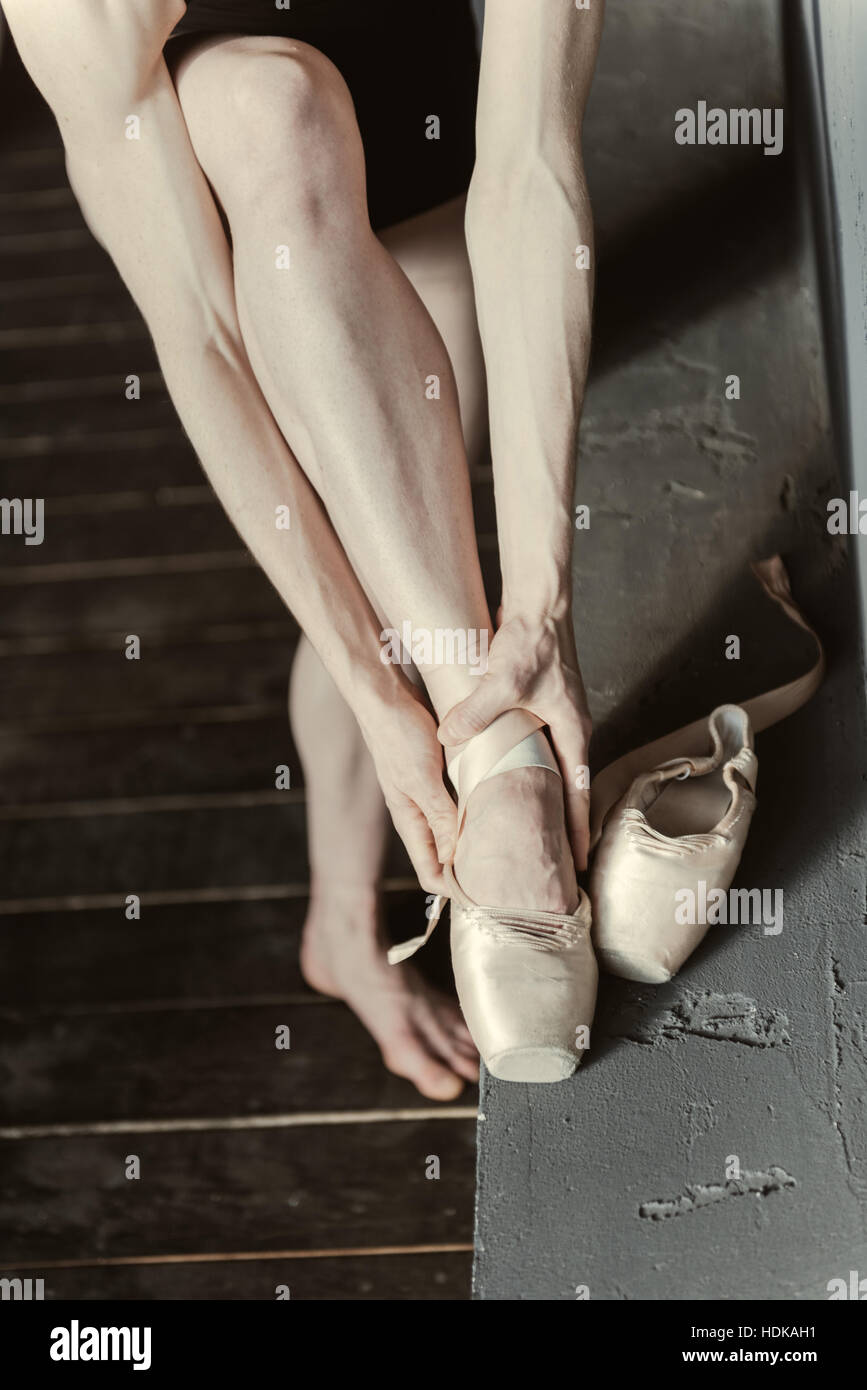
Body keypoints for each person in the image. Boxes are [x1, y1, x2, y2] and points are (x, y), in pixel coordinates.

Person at [4, 0, 604, 1097]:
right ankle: (502, 774)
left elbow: (530, 170)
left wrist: (542, 616)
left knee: (415, 560)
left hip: (432, 133)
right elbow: (200, 331)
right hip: (249, 176)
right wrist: (378, 690)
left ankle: (344, 914)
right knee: (275, 107)